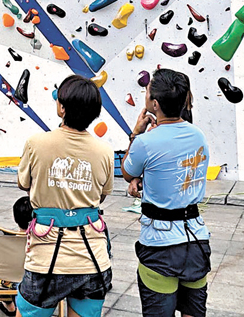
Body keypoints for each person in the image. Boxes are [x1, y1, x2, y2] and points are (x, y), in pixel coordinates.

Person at [16, 74, 113, 317]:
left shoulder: (35, 143)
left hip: (46, 259)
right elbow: (102, 195)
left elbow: (23, 183)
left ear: (61, 107)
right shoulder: (105, 152)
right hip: (92, 259)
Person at [121, 68, 211, 317]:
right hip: (196, 240)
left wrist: (135, 133)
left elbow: (128, 171)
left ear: (155, 104)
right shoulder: (199, 136)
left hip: (160, 245)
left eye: (147, 92)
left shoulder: (145, 142)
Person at [0, 196, 33, 316]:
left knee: (0, 274)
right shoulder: (44, 243)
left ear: (15, 218)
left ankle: (10, 307)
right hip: (39, 285)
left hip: (12, 281)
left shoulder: (6, 245)